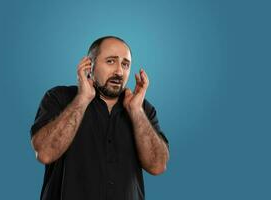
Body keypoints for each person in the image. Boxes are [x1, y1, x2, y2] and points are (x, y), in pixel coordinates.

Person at [30, 36, 170, 200]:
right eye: (111, 61)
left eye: (125, 64)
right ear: (90, 65)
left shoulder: (142, 108)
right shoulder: (59, 98)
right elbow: (45, 153)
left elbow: (158, 166)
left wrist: (136, 112)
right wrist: (82, 99)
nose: (119, 71)